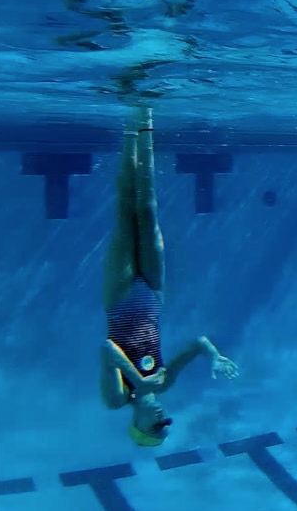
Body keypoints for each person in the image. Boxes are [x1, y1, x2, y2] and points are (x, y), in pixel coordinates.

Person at [99, 104, 238, 447]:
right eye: (166, 423)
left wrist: (137, 381)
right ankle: (144, 117)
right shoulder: (164, 383)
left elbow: (107, 349)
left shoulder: (117, 399)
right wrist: (215, 356)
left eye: (156, 426)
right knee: (147, 209)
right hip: (152, 295)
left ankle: (129, 128)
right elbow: (198, 342)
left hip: (120, 301)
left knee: (125, 211)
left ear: (139, 425)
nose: (163, 418)